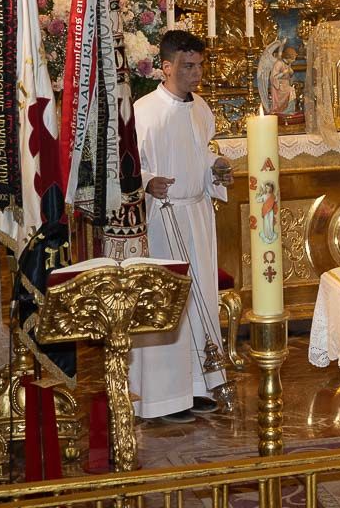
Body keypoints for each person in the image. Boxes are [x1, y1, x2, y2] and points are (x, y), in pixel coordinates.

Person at [129, 29, 232, 423]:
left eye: (201, 65)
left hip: (197, 216)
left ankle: (197, 387)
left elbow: (203, 155)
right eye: (188, 66)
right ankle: (161, 397)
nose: (197, 73)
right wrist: (147, 182)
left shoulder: (202, 109)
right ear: (166, 67)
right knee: (167, 305)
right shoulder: (143, 111)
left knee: (201, 300)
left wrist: (216, 171)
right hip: (162, 219)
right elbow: (128, 167)